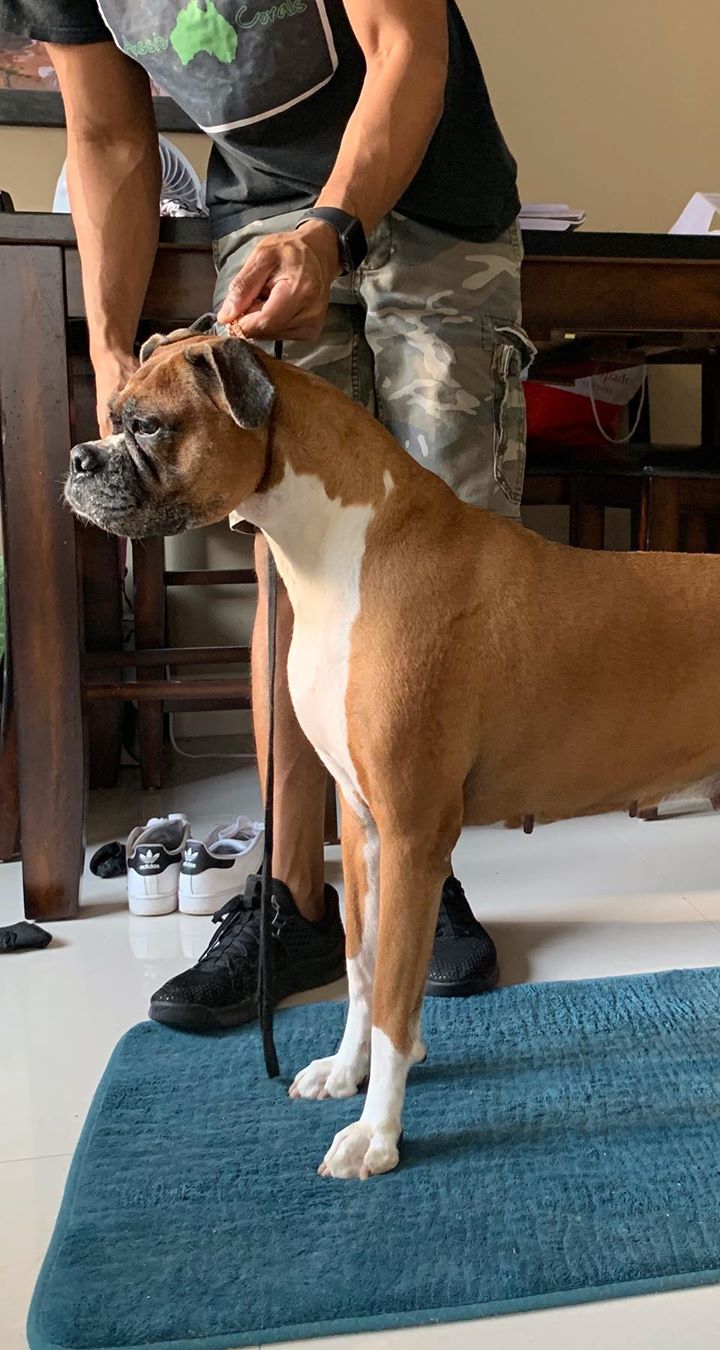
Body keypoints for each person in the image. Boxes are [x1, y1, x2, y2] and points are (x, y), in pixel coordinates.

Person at [0, 0, 530, 1024]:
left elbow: (407, 45)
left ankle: (421, 865)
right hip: (262, 214)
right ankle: (291, 902)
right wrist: (115, 345)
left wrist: (332, 227)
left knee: (451, 554)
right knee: (290, 553)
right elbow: (111, 133)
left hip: (438, 199)